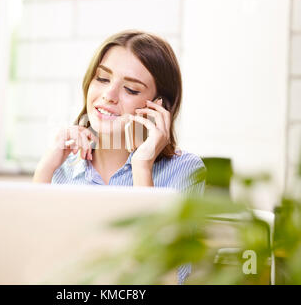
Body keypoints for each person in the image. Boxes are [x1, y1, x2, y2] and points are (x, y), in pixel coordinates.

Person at [33, 30, 206, 284]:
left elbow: (165, 277)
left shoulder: (185, 170)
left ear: (158, 106)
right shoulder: (62, 167)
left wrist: (142, 167)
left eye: (130, 89)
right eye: (102, 78)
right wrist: (46, 169)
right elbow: (33, 267)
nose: (109, 95)